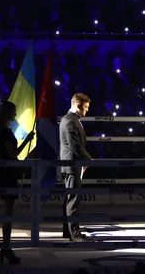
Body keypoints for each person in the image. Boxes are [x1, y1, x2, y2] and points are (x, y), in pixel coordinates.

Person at [0, 101, 33, 265]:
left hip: (5, 174)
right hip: (8, 175)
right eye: (14, 111)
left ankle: (6, 246)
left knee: (8, 211)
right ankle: (6, 247)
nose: (16, 114)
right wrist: (27, 141)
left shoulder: (0, 132)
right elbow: (13, 154)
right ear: (7, 113)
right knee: (8, 212)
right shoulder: (5, 133)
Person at [59, 93, 93, 242]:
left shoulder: (71, 119)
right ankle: (74, 233)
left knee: (70, 198)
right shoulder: (69, 121)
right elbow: (75, 146)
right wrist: (88, 159)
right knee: (73, 198)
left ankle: (69, 232)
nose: (87, 111)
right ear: (78, 105)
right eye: (85, 107)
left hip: (73, 164)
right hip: (72, 164)